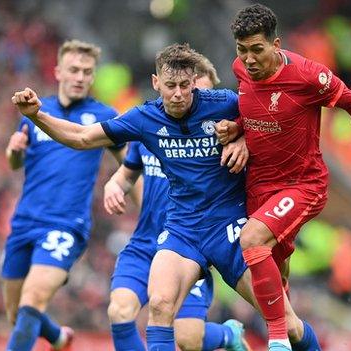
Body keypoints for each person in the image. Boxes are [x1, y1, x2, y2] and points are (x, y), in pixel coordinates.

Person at [11, 43, 319, 351]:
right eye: (170, 86)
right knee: (158, 306)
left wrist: (245, 139)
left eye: (185, 86)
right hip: (183, 230)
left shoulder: (223, 103)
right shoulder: (145, 118)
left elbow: (272, 119)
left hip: (229, 229)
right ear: (157, 83)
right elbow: (81, 137)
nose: (178, 94)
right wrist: (37, 114)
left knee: (285, 324)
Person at [214, 4, 351, 350]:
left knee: (252, 240)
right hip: (259, 186)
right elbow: (254, 110)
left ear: (276, 44)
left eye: (257, 49)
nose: (249, 59)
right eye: (242, 50)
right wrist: (237, 130)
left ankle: (277, 342)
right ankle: (299, 340)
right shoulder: (240, 70)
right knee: (277, 287)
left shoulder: (308, 76)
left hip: (302, 185)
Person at [104, 54, 250, 351]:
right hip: (147, 243)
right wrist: (113, 184)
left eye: (201, 93)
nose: (192, 100)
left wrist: (242, 139)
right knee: (119, 311)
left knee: (187, 339)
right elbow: (127, 173)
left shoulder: (219, 145)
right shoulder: (151, 134)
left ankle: (227, 336)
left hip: (190, 246)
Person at [2, 39, 126, 351]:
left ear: (93, 77)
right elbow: (15, 163)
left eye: (87, 71)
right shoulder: (35, 111)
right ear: (58, 72)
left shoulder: (104, 115)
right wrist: (13, 152)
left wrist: (123, 184)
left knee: (32, 301)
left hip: (66, 225)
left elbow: (131, 162)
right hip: (24, 222)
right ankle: (58, 337)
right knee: (15, 314)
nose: (80, 77)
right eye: (73, 70)